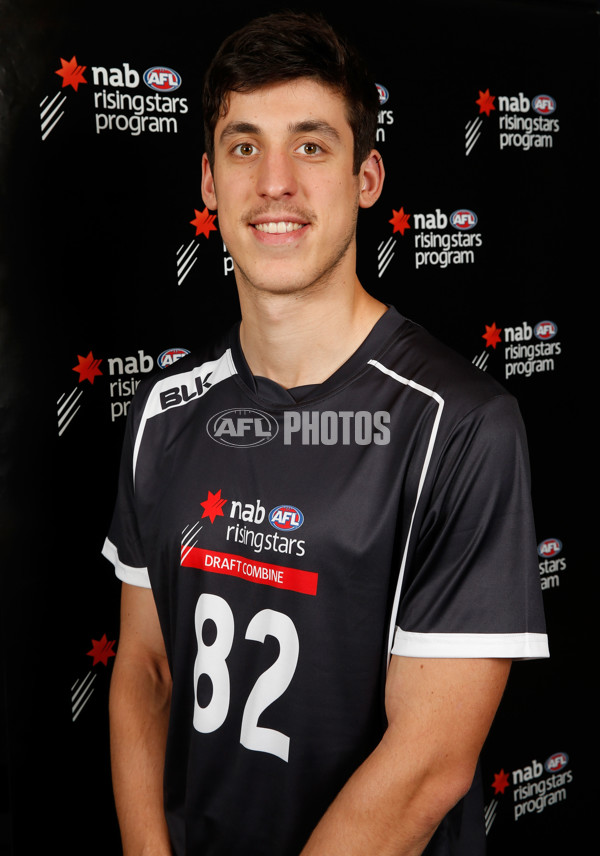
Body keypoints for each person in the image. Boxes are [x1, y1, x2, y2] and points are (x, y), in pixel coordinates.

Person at [103, 11, 548, 856]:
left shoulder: (461, 425)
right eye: (244, 147)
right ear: (208, 181)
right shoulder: (162, 408)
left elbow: (430, 764)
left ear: (367, 174)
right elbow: (147, 670)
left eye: (310, 145)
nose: (275, 182)